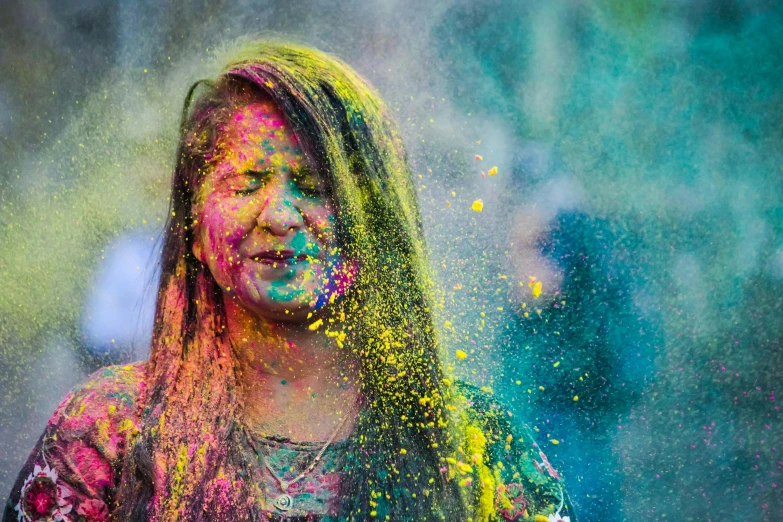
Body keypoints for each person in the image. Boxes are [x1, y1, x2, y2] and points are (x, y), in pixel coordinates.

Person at [4, 41, 576, 522]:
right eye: (247, 181)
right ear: (195, 227)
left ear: (376, 223)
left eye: (315, 185)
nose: (279, 215)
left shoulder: (471, 448)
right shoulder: (106, 435)